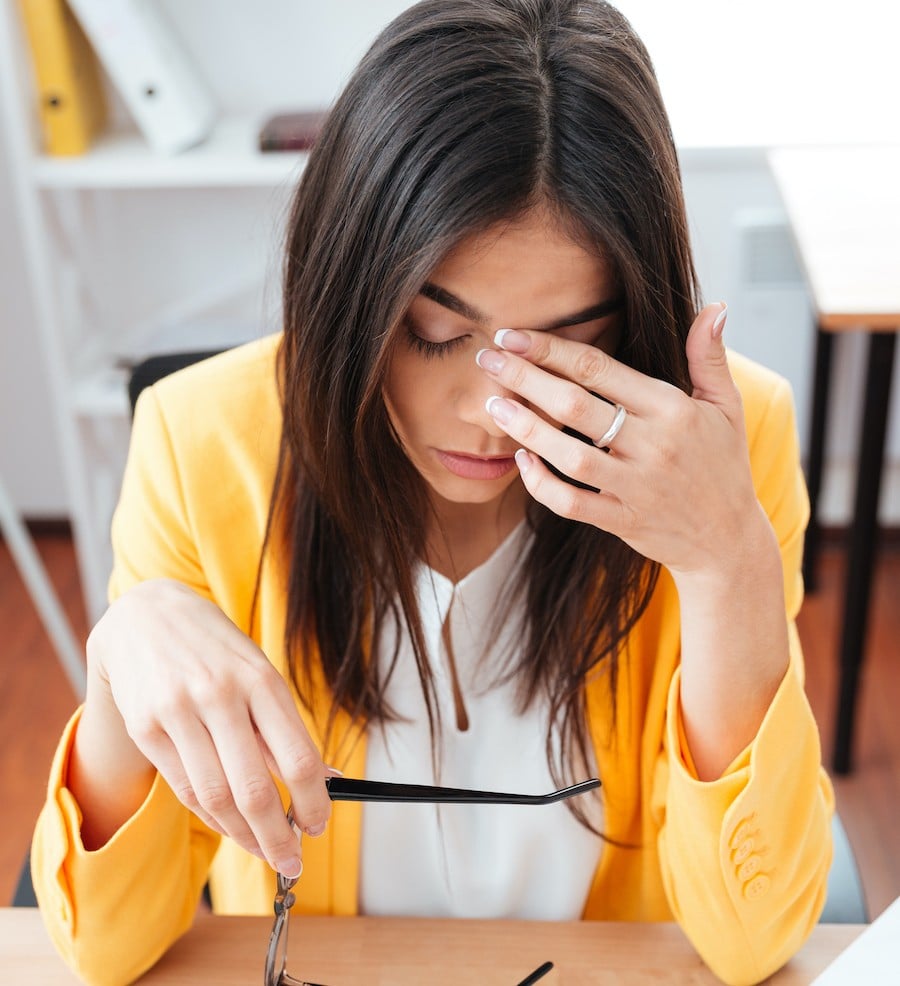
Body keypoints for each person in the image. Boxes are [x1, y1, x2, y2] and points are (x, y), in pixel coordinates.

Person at [32, 1, 834, 984]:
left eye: (566, 345)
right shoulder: (203, 442)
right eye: (433, 330)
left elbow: (754, 940)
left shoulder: (726, 444)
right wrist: (122, 658)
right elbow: (106, 946)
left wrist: (726, 562)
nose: (492, 415)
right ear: (349, 294)